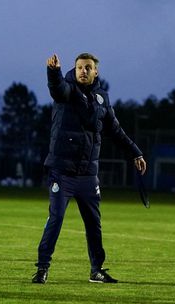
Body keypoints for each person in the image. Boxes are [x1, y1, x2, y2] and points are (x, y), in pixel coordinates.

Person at [32, 53, 147, 284]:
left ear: (96, 72)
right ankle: (42, 268)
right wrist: (53, 72)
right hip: (62, 172)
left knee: (94, 224)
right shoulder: (67, 91)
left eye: (88, 68)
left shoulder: (102, 98)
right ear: (74, 71)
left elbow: (115, 130)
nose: (83, 71)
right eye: (79, 68)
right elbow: (57, 89)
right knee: (56, 219)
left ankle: (97, 270)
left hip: (87, 175)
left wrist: (135, 152)